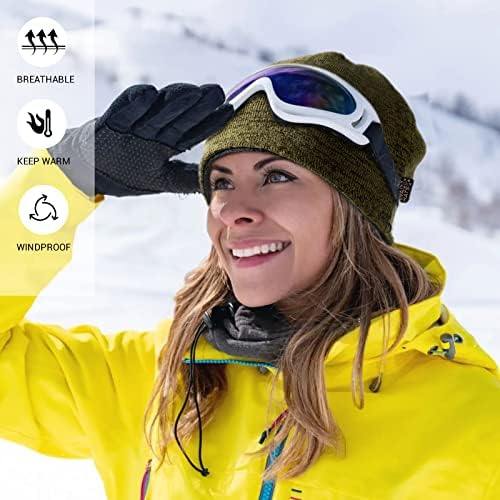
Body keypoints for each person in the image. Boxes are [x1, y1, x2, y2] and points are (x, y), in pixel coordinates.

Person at [1, 51, 499, 500]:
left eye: (277, 176)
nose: (233, 210)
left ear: (356, 208)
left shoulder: (473, 425)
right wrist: (63, 179)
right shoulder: (164, 377)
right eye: (221, 182)